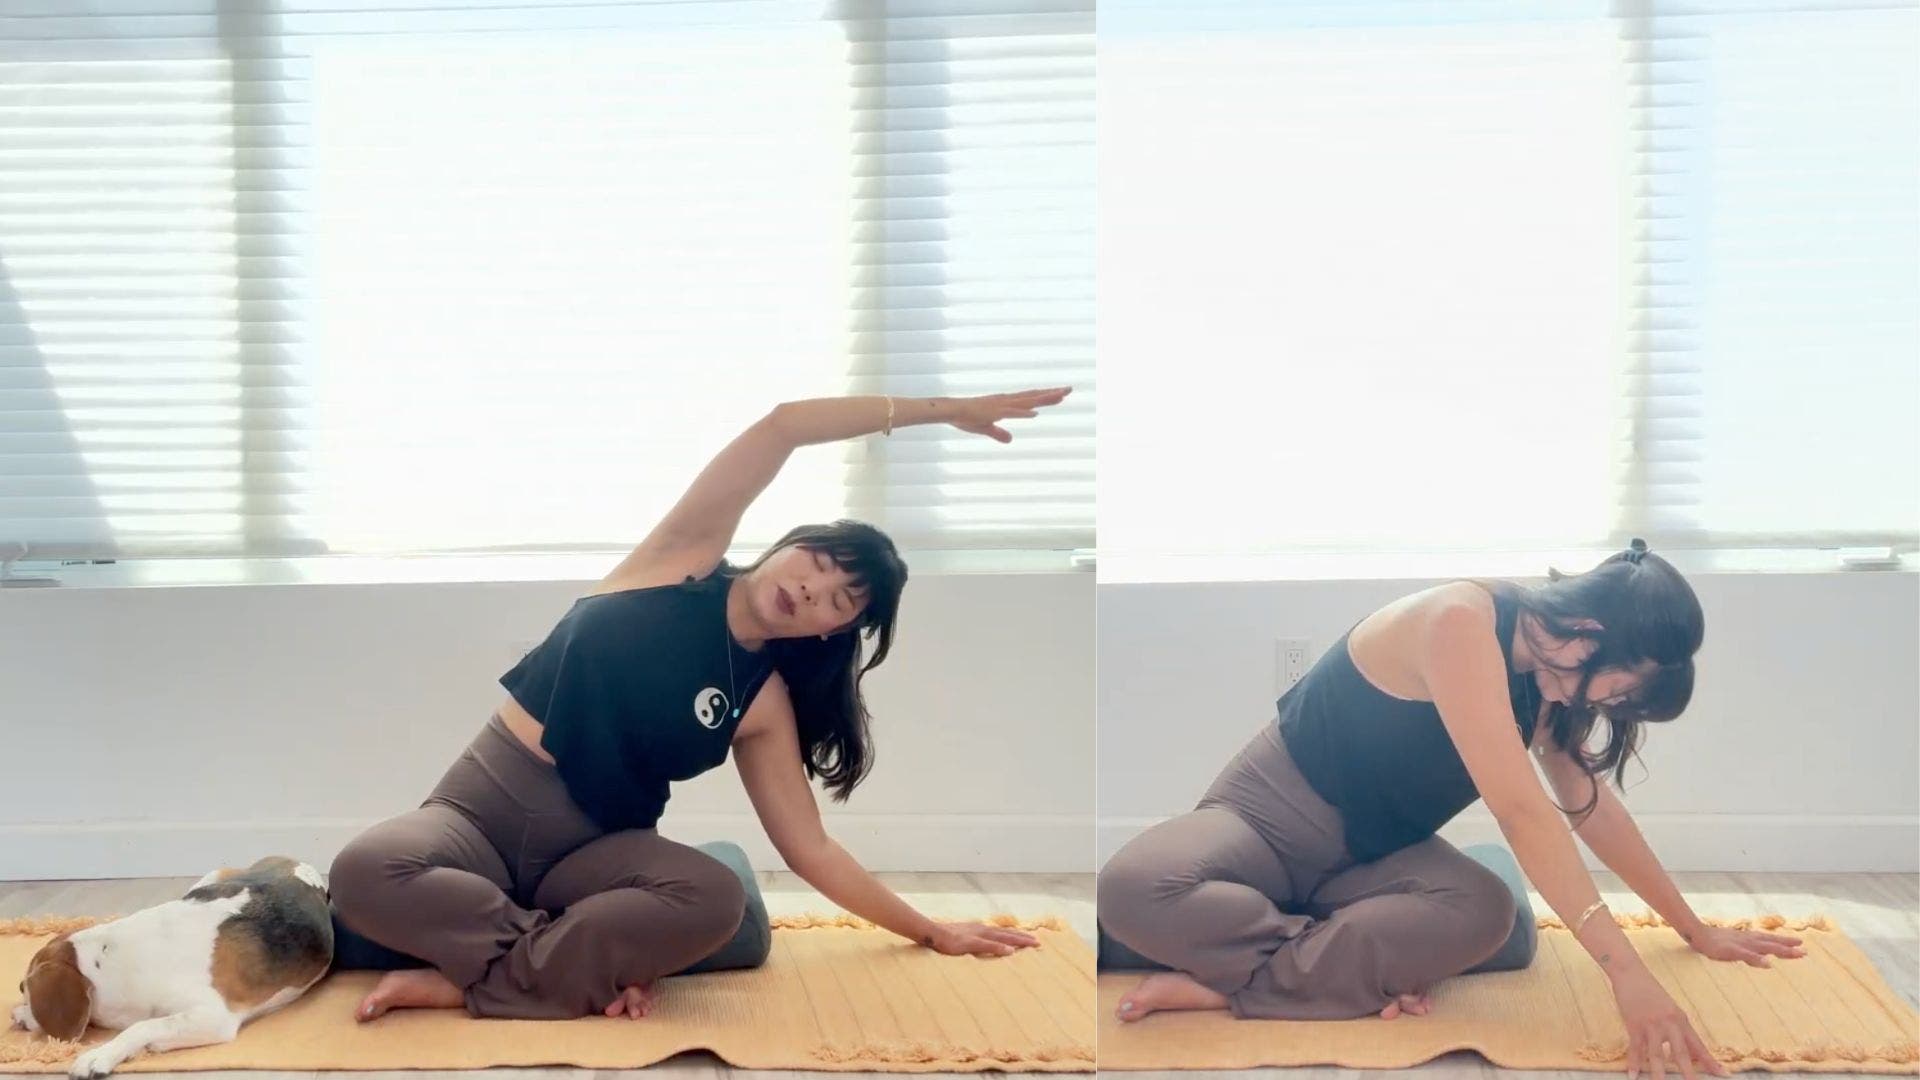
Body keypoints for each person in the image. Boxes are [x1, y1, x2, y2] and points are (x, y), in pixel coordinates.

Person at [329, 387, 1071, 1022]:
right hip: (477, 814)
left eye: (842, 601)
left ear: (832, 632)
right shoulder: (677, 561)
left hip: (593, 850)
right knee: (364, 871)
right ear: (788, 545)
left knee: (716, 902)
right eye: (819, 563)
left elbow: (809, 848)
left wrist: (929, 929)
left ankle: (472, 981)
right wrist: (944, 412)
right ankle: (559, 959)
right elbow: (782, 426)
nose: (815, 589)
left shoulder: (765, 702)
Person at [1098, 542, 1804, 1080]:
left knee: (1490, 915)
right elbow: (1525, 815)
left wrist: (1693, 929)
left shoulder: (1553, 684)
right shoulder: (1461, 622)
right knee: (1132, 887)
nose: (1609, 705)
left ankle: (1230, 983)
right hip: (1270, 815)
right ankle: (1323, 963)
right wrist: (1625, 975)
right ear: (1588, 633)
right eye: (1621, 688)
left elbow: (1590, 811)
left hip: (1377, 856)